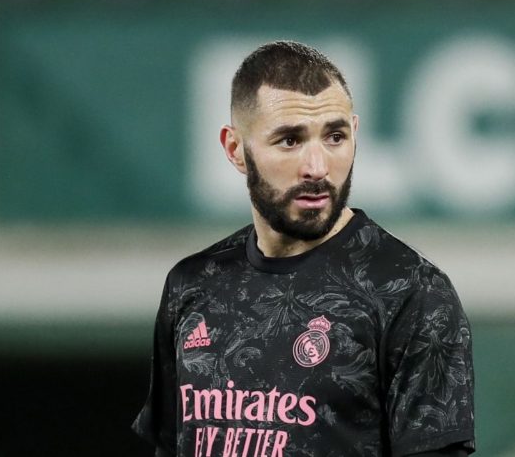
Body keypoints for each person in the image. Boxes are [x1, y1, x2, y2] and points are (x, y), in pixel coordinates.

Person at [132, 40, 475, 457]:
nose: (317, 167)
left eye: (335, 137)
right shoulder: (193, 284)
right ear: (235, 149)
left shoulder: (411, 293)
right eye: (290, 140)